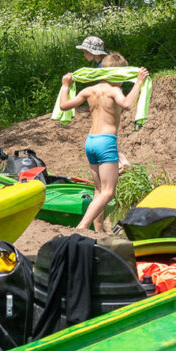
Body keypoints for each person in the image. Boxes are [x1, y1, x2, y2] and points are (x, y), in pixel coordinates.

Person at [57, 52, 149, 233]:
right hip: (106, 142)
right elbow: (127, 104)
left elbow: (64, 106)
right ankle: (81, 227)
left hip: (90, 142)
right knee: (108, 192)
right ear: (119, 74)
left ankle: (97, 230)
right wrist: (138, 82)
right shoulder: (114, 91)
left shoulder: (89, 90)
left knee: (99, 192)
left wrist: (65, 86)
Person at [75, 35, 131, 172]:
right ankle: (122, 161)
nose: (83, 55)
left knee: (106, 131)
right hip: (113, 99)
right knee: (109, 132)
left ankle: (119, 163)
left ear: (92, 51)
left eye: (84, 52)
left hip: (111, 101)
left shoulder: (103, 66)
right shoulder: (103, 63)